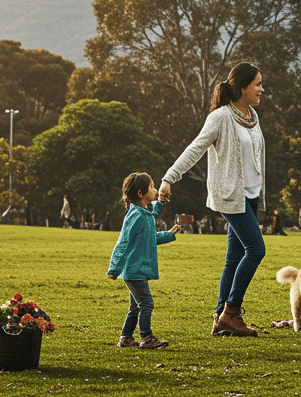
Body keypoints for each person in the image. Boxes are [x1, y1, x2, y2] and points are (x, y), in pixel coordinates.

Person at [159, 62, 267, 338]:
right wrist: (169, 178)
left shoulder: (252, 116)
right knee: (255, 250)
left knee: (234, 258)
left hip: (251, 195)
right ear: (243, 87)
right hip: (231, 195)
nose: (262, 89)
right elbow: (196, 147)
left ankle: (220, 317)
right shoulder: (220, 117)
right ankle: (232, 312)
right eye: (257, 84)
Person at [108, 172, 181, 349]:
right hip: (134, 271)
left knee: (136, 307)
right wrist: (114, 268)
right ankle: (146, 338)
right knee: (146, 304)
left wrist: (169, 235)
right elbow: (123, 241)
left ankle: (125, 338)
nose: (155, 189)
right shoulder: (136, 216)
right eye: (152, 187)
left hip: (138, 270)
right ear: (141, 193)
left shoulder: (144, 213)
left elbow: (150, 237)